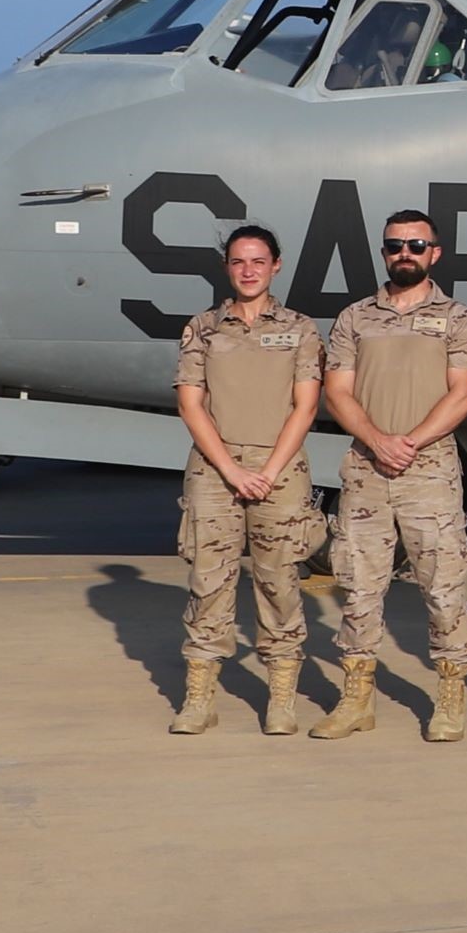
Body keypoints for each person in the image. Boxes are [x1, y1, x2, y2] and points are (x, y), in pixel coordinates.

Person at [310, 210, 467, 742]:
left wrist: (410, 441)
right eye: (394, 246)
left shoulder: (459, 318)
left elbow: (465, 392)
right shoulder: (355, 318)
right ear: (384, 253)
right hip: (367, 469)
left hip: (429, 470)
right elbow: (337, 390)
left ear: (435, 253)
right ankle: (356, 699)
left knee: (443, 589)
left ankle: (450, 698)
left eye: (416, 245)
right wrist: (378, 440)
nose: (403, 253)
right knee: (358, 588)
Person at [166, 224, 324, 736]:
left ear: (276, 265)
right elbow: (191, 403)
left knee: (279, 582)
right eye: (238, 262)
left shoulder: (300, 328)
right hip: (215, 470)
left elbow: (306, 406)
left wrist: (269, 472)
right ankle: (199, 697)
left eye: (258, 261)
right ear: (227, 268)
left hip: (279, 470)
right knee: (209, 582)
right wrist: (232, 470)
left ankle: (281, 697)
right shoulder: (203, 328)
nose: (248, 270)